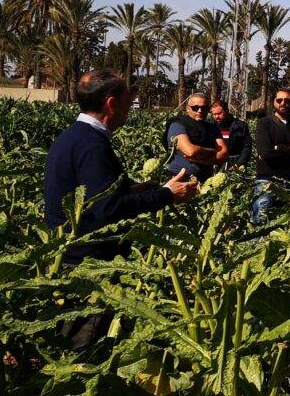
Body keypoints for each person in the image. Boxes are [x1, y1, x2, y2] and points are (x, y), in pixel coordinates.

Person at [44, 70, 199, 348]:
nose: (129, 110)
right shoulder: (93, 146)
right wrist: (167, 195)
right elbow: (109, 208)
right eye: (128, 103)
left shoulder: (72, 137)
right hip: (87, 265)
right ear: (111, 104)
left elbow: (93, 195)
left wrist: (141, 190)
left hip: (70, 256)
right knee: (82, 349)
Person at [252, 88, 290, 223]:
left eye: (287, 101)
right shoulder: (264, 123)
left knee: (288, 224)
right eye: (279, 100)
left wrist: (279, 148)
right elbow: (266, 153)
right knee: (261, 222)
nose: (283, 103)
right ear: (274, 102)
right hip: (267, 181)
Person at [164, 93, 228, 182]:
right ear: (187, 109)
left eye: (204, 108)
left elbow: (224, 154)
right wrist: (214, 152)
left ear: (208, 109)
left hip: (206, 179)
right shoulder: (178, 125)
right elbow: (191, 151)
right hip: (180, 178)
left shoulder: (212, 128)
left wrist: (201, 160)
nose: (199, 111)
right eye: (195, 108)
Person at [211, 99, 250, 168]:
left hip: (234, 164)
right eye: (214, 114)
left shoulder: (240, 126)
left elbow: (247, 146)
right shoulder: (210, 126)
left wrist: (239, 163)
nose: (217, 117)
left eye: (219, 113)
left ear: (227, 111)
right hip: (214, 163)